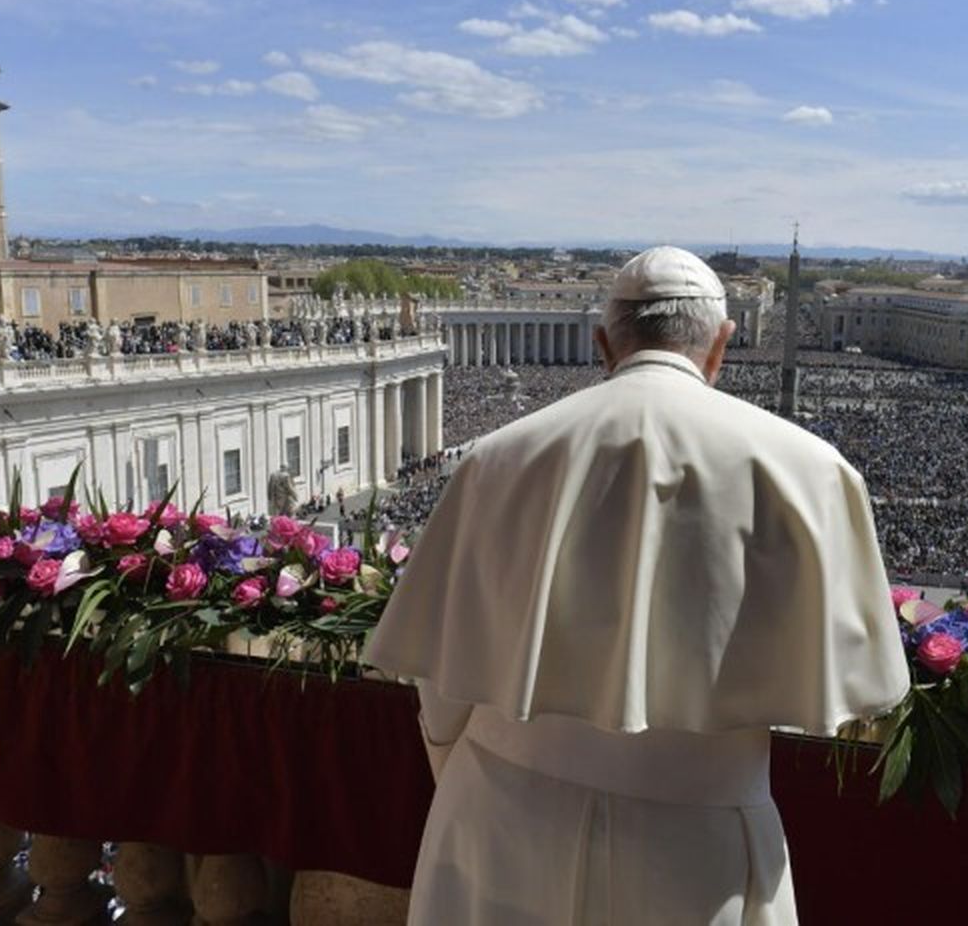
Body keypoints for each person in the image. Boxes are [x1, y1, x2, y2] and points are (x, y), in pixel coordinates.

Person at [365, 246, 909, 925]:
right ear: (722, 345)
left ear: (602, 344)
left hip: (499, 818)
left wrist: (461, 771)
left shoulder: (495, 459)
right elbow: (864, 689)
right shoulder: (816, 473)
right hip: (696, 849)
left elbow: (442, 674)